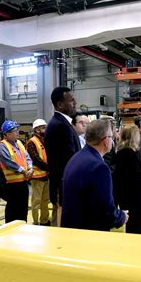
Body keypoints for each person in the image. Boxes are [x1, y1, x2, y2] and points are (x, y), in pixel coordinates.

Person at [61, 119, 128, 231]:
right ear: (105, 140)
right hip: (89, 232)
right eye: (111, 137)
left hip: (72, 227)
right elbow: (105, 208)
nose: (113, 140)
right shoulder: (99, 167)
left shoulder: (77, 157)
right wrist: (121, 217)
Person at [44, 86, 81, 226]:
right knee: (61, 224)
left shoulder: (63, 123)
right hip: (63, 185)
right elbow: (69, 160)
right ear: (59, 104)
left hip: (64, 184)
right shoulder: (60, 126)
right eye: (71, 100)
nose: (75, 103)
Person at [113, 125, 141, 234]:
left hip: (128, 197)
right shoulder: (128, 153)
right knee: (137, 225)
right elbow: (136, 176)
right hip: (135, 198)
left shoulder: (122, 151)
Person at [0, 120, 33, 223]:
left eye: (17, 130)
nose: (18, 132)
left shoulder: (19, 143)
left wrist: (30, 168)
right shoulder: (2, 146)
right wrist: (23, 171)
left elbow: (27, 157)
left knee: (23, 209)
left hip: (23, 182)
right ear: (6, 134)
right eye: (14, 131)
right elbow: (8, 162)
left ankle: (22, 227)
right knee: (13, 211)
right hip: (12, 185)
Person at [26, 119, 51, 226]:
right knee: (36, 202)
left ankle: (44, 220)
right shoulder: (31, 142)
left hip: (46, 176)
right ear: (36, 129)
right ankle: (36, 222)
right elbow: (35, 159)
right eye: (43, 127)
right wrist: (49, 167)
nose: (45, 129)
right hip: (37, 177)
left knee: (45, 200)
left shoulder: (44, 140)